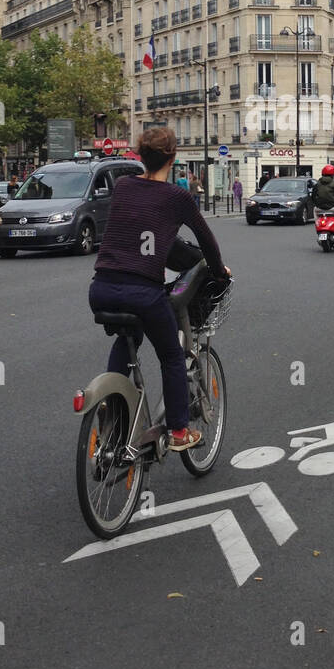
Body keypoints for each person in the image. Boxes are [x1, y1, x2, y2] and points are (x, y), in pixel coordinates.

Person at [89, 126, 231, 451]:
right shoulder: (177, 197)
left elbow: (140, 232)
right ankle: (180, 431)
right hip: (142, 292)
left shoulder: (124, 186)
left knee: (129, 338)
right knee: (170, 355)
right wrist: (219, 271)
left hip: (101, 289)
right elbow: (206, 241)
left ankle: (113, 408)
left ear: (140, 155)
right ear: (173, 157)